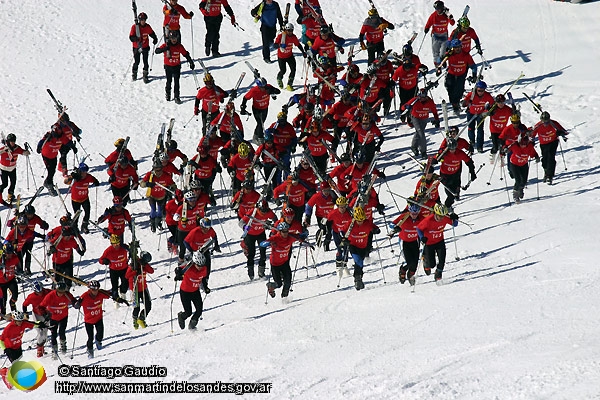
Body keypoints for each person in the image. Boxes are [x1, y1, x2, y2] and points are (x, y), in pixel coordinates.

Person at [73, 280, 126, 358]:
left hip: (98, 318)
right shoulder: (85, 296)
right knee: (90, 338)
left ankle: (98, 341)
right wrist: (78, 304)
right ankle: (90, 350)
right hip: (89, 321)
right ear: (90, 289)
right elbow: (76, 306)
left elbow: (111, 295)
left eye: (97, 289)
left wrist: (118, 299)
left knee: (100, 334)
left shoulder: (101, 293)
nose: (95, 292)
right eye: (93, 290)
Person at [262, 222, 307, 298]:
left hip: (284, 263)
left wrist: (302, 236)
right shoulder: (275, 238)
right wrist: (269, 243)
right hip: (275, 264)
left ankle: (284, 298)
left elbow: (303, 235)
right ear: (279, 231)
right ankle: (270, 286)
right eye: (283, 231)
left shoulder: (290, 237)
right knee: (279, 284)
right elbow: (262, 244)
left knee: (288, 282)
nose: (286, 233)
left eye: (287, 231)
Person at [416, 203, 459, 282]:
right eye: (439, 216)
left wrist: (455, 218)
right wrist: (422, 237)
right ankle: (425, 260)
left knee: (442, 260)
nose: (441, 218)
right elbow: (418, 229)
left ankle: (438, 273)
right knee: (432, 265)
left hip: (440, 241)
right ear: (435, 213)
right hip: (429, 243)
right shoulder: (428, 220)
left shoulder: (445, 218)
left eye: (443, 216)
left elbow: (455, 224)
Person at [341, 206, 380, 290]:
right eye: (358, 220)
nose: (360, 222)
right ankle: (357, 279)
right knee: (358, 261)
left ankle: (359, 277)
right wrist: (344, 239)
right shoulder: (350, 224)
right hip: (353, 245)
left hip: (363, 246)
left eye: (362, 220)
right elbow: (342, 231)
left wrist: (376, 230)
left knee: (360, 263)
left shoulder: (367, 223)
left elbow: (375, 228)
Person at [389, 200, 424, 285]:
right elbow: (391, 224)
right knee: (409, 261)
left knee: (415, 262)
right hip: (404, 241)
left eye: (416, 214)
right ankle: (403, 270)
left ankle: (410, 275)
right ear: (409, 211)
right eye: (412, 213)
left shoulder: (421, 218)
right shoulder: (404, 217)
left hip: (414, 241)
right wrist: (396, 227)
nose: (414, 215)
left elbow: (428, 223)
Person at [39, 281, 76, 359]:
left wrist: (76, 304)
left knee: (62, 332)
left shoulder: (67, 295)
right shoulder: (50, 296)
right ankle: (54, 350)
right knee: (54, 334)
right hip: (53, 318)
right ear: (56, 290)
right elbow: (41, 306)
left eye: (62, 292)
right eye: (59, 292)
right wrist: (45, 314)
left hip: (63, 317)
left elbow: (74, 301)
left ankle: (63, 345)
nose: (61, 294)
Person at [437, 38, 476, 114]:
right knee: (450, 88)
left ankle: (456, 103)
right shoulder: (449, 54)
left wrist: (474, 74)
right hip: (451, 73)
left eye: (459, 47)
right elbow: (439, 60)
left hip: (461, 75)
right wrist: (440, 67)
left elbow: (473, 66)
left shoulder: (466, 55)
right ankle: (454, 103)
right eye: (455, 47)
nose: (457, 49)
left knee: (459, 90)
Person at [155, 30, 195, 104]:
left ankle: (177, 96)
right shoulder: (166, 45)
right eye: (172, 38)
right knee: (169, 81)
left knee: (177, 82)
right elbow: (156, 51)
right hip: (168, 67)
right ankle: (168, 93)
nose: (174, 40)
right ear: (170, 38)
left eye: (175, 38)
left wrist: (191, 62)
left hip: (176, 66)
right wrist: (165, 49)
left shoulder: (179, 46)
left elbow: (185, 54)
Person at [240, 200, 277, 280]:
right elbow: (241, 221)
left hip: (261, 234)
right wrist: (244, 227)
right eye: (262, 211)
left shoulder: (269, 212)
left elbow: (275, 220)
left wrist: (271, 225)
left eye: (265, 211)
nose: (264, 213)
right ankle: (250, 272)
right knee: (251, 254)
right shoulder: (253, 212)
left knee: (263, 253)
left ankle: (261, 272)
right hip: (250, 235)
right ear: (258, 208)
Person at [437, 136, 476, 209]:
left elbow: (469, 162)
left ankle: (448, 207)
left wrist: (472, 172)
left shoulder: (460, 153)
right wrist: (435, 160)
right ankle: (446, 208)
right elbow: (436, 157)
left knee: (456, 194)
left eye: (454, 149)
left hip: (455, 175)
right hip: (445, 176)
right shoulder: (444, 153)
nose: (452, 151)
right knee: (451, 194)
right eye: (451, 149)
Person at [530, 111, 568, 185]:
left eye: (547, 121)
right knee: (545, 159)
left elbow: (565, 131)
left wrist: (560, 133)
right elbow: (532, 135)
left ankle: (549, 176)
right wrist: (531, 141)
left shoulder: (554, 124)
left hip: (553, 142)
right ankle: (546, 171)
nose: (545, 123)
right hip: (543, 144)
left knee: (551, 157)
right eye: (544, 121)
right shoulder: (538, 125)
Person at [241, 78, 281, 145]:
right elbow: (245, 98)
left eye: (265, 86)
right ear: (259, 86)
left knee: (262, 123)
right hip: (257, 109)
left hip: (265, 108)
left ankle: (255, 135)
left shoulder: (268, 87)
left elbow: (278, 91)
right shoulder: (254, 90)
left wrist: (272, 93)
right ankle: (260, 138)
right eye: (262, 87)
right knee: (260, 123)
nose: (264, 88)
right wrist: (243, 107)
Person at [183, 217, 220, 291]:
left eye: (208, 228)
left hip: (204, 250)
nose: (207, 230)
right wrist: (191, 251)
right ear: (201, 226)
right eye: (205, 228)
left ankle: (205, 284)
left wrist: (216, 244)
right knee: (195, 269)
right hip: (194, 251)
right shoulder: (195, 231)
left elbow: (214, 236)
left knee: (207, 268)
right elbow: (185, 242)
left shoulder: (210, 230)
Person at [139, 160, 176, 233]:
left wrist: (172, 187)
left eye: (159, 170)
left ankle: (158, 222)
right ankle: (152, 223)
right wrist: (147, 184)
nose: (158, 172)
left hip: (161, 196)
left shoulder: (166, 175)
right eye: (156, 170)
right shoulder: (150, 175)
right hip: (152, 196)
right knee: (153, 210)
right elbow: (141, 183)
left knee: (160, 211)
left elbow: (173, 184)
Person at [402, 88, 440, 159]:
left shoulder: (430, 102)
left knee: (418, 133)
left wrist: (437, 119)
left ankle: (414, 146)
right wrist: (407, 106)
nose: (422, 99)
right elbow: (403, 107)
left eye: (423, 97)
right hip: (415, 118)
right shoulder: (415, 100)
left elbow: (434, 111)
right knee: (421, 133)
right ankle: (423, 151)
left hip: (424, 119)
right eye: (420, 97)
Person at [174, 251, 208, 330]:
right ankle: (181, 316)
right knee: (188, 312)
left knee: (199, 311)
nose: (200, 267)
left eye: (202, 265)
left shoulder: (204, 269)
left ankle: (192, 327)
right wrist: (178, 274)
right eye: (198, 265)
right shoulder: (188, 268)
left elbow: (203, 278)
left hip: (195, 291)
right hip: (185, 292)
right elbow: (178, 269)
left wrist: (206, 287)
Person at [64, 162, 100, 234]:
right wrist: (71, 177)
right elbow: (65, 182)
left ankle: (84, 225)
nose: (85, 174)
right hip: (75, 200)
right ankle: (75, 227)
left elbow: (94, 179)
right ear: (80, 171)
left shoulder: (88, 177)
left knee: (87, 212)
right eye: (83, 172)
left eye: (86, 172)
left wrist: (96, 182)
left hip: (85, 198)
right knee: (77, 214)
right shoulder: (75, 178)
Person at [21, 280, 52, 357]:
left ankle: (42, 345)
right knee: (40, 332)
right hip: (36, 315)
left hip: (46, 315)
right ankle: (39, 348)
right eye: (38, 292)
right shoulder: (31, 297)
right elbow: (24, 305)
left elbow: (55, 294)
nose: (40, 293)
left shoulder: (47, 292)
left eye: (41, 291)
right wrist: (25, 313)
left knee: (45, 332)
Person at [462, 80, 494, 153]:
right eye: (479, 90)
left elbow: (492, 103)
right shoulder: (472, 95)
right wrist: (467, 102)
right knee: (471, 128)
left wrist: (488, 109)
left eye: (482, 91)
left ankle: (480, 146)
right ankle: (472, 141)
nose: (480, 92)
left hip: (480, 114)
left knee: (480, 130)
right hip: (471, 113)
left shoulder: (487, 95)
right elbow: (463, 104)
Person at [507, 135, 539, 203]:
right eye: (522, 144)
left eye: (525, 144)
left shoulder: (529, 146)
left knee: (524, 181)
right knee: (518, 180)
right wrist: (504, 150)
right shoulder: (515, 145)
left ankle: (520, 189)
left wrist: (536, 157)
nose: (523, 146)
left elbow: (533, 152)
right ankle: (515, 195)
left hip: (524, 164)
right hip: (514, 164)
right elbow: (507, 148)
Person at [125, 251, 154, 329]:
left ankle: (141, 319)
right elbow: (127, 276)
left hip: (144, 288)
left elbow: (151, 271)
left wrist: (145, 265)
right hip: (135, 289)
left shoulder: (144, 265)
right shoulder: (133, 265)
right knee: (136, 307)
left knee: (148, 306)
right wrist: (135, 272)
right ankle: (135, 320)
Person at [99, 235, 130, 304]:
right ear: (112, 244)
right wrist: (104, 261)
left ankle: (122, 292)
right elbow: (100, 260)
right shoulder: (108, 251)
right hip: (114, 270)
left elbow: (131, 250)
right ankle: (116, 299)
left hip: (124, 269)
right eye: (115, 244)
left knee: (125, 284)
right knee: (114, 286)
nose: (117, 245)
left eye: (118, 243)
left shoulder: (124, 248)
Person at [304, 182, 336, 250]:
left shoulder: (333, 195)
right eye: (324, 190)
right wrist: (307, 217)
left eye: (328, 190)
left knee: (330, 232)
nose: (326, 192)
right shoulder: (316, 196)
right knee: (323, 230)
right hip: (320, 216)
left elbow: (341, 202)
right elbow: (309, 206)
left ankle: (326, 244)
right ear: (321, 190)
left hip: (330, 216)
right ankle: (318, 235)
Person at [274, 23, 306, 90]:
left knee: (293, 69)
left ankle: (289, 84)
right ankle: (279, 78)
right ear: (286, 30)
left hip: (289, 56)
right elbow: (275, 45)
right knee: (283, 70)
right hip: (281, 57)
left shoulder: (293, 37)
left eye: (291, 30)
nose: (290, 32)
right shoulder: (281, 36)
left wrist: (303, 52)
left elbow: (298, 44)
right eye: (289, 30)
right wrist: (280, 45)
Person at [0, 133, 30, 204]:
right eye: (11, 141)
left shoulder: (17, 148)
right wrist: (4, 150)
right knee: (5, 184)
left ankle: (10, 195)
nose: (13, 143)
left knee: (13, 182)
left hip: (12, 169)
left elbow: (24, 152)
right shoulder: (4, 148)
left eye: (14, 141)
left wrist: (26, 151)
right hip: (4, 169)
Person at [129, 12, 158, 83]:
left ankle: (145, 75)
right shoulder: (134, 27)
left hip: (145, 47)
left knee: (145, 61)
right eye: (141, 20)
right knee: (137, 61)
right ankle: (134, 73)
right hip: (136, 47)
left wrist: (155, 39)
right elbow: (131, 37)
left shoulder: (147, 27)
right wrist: (136, 39)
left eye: (144, 19)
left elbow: (152, 33)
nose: (143, 21)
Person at [424, 0, 455, 67]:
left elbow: (452, 23)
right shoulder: (433, 16)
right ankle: (437, 64)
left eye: (438, 9)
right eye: (436, 9)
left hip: (444, 35)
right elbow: (429, 23)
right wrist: (427, 28)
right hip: (435, 35)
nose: (437, 10)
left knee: (443, 51)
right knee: (435, 51)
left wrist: (450, 17)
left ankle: (442, 60)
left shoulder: (446, 15)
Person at [487, 94, 514, 163]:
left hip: (503, 130)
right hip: (494, 130)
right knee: (495, 147)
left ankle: (502, 158)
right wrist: (488, 111)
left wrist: (516, 111)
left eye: (502, 102)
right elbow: (486, 110)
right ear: (496, 102)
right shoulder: (493, 109)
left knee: (502, 146)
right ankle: (492, 155)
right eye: (499, 102)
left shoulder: (507, 109)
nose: (501, 104)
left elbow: (514, 114)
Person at [0, 243, 19, 316]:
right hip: (2, 282)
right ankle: (3, 312)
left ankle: (13, 307)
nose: (10, 255)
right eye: (8, 253)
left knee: (15, 295)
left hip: (11, 280)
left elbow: (18, 264)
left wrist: (19, 270)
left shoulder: (15, 257)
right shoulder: (1, 260)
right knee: (4, 299)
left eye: (11, 253)